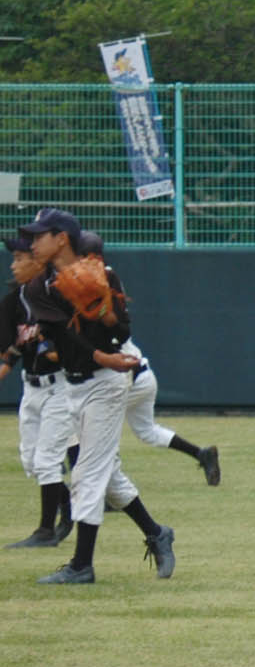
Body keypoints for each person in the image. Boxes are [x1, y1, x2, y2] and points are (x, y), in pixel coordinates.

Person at [19, 208, 175, 585]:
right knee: (107, 476)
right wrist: (94, 349)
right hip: (70, 386)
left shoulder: (104, 275)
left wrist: (105, 315)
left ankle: (82, 564)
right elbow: (65, 338)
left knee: (88, 472)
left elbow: (122, 329)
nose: (33, 242)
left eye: (41, 235)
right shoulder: (38, 287)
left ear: (62, 240)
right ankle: (156, 532)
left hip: (105, 383)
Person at [73, 231, 221, 487]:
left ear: (92, 256)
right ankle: (201, 454)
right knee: (147, 431)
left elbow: (111, 327)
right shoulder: (100, 276)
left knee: (97, 427)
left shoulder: (101, 278)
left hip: (126, 374)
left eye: (80, 254)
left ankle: (109, 489)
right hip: (140, 372)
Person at [2, 232, 75, 549]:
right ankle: (69, 506)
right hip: (31, 388)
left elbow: (75, 340)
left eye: (20, 258)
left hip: (60, 385)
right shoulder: (14, 301)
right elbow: (11, 349)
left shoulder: (56, 293)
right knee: (31, 461)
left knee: (46, 460)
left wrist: (58, 350)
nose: (13, 265)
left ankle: (46, 531)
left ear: (37, 262)